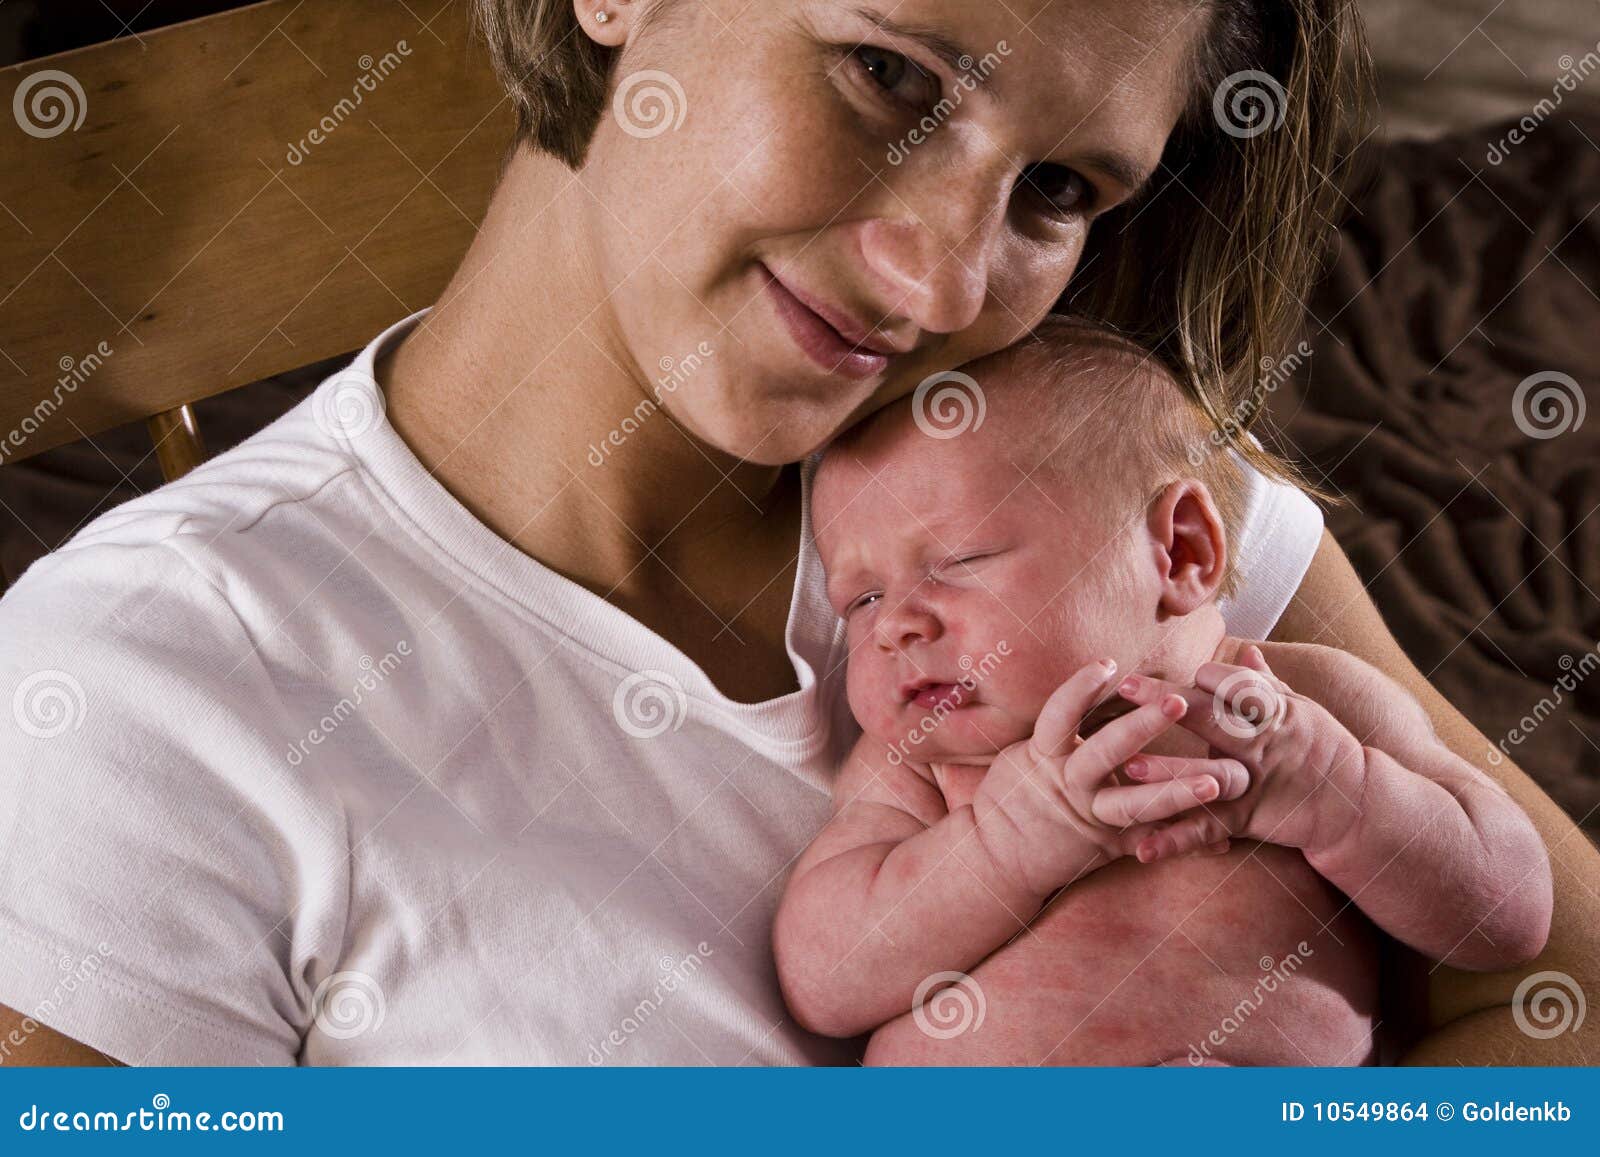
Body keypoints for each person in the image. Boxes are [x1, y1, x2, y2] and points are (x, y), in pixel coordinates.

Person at [0, 0, 1593, 1065]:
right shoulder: (150, 692)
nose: (937, 288)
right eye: (888, 75)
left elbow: (1551, 989)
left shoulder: (1092, 502)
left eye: (1052, 189)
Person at [775, 321, 1552, 1065]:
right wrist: (998, 849)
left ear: (1181, 551)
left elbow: (1511, 912)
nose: (894, 628)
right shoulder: (919, 764)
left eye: (958, 559)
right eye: (860, 600)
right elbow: (824, 978)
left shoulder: (1304, 702)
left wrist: (1341, 794)